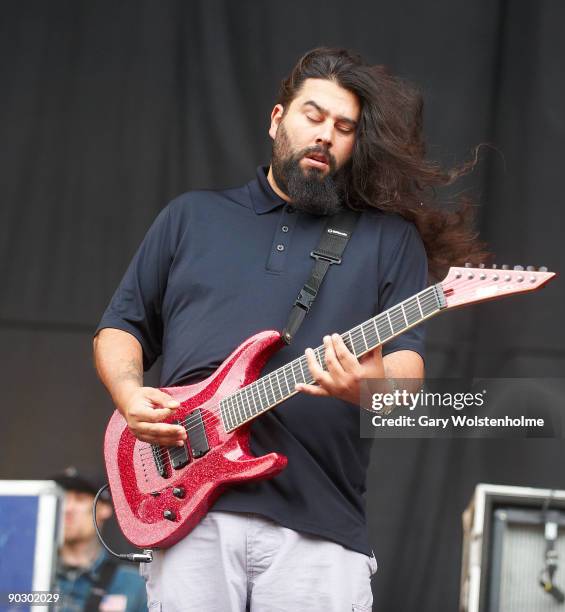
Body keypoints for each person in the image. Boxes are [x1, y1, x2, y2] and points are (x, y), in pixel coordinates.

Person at [93, 47, 486, 611]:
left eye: (343, 127)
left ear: (354, 144)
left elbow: (407, 373)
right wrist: (129, 394)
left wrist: (367, 387)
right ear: (278, 119)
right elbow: (120, 327)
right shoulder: (192, 217)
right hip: (191, 512)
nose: (325, 134)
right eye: (313, 115)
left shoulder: (387, 240)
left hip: (320, 525)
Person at [53, 466, 148, 612]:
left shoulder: (133, 585)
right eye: (62, 499)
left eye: (79, 499)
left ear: (104, 508)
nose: (67, 508)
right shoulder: (29, 576)